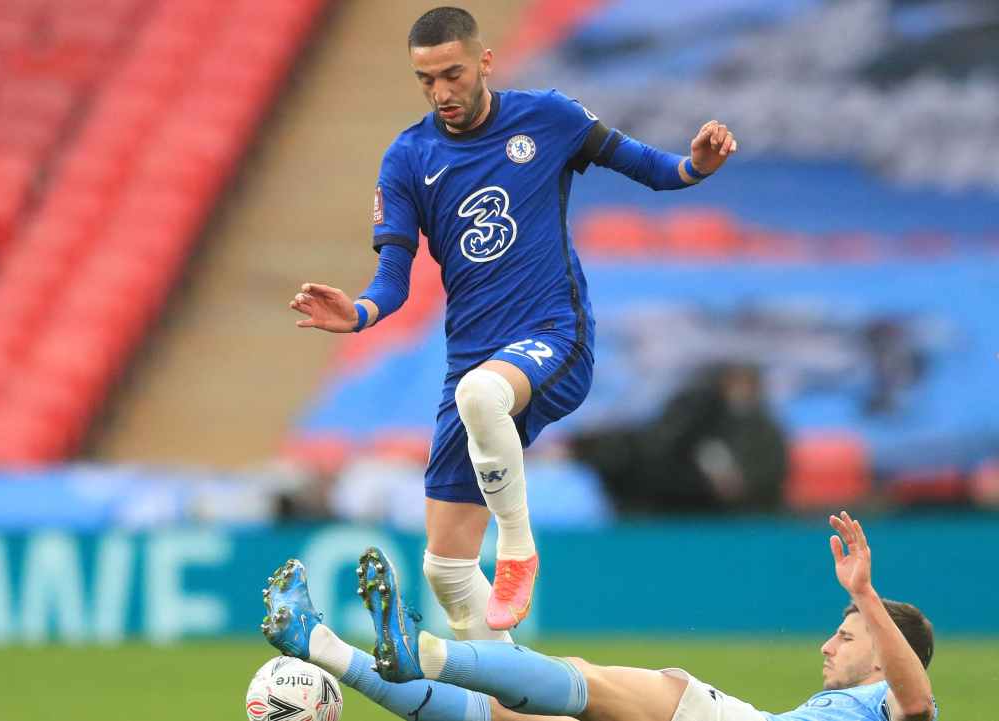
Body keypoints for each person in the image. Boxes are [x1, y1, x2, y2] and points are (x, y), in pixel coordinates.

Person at [288, 6, 738, 634]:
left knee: (481, 394)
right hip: (470, 360)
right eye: (426, 80)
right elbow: (394, 274)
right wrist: (360, 312)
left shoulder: (548, 117)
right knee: (444, 570)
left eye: (452, 74)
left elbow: (652, 169)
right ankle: (514, 691)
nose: (441, 92)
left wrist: (695, 167)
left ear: (485, 62)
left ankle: (518, 551)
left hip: (555, 336)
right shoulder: (408, 157)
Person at [261, 510, 937, 721]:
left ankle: (428, 652)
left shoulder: (887, 699)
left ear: (883, 654)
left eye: (846, 635)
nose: (827, 645)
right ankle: (318, 644)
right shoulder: (838, 705)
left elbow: (921, 704)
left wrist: (869, 599)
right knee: (511, 716)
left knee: (584, 677)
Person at [572, 362, 788, 513]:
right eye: (732, 383)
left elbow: (768, 477)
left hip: (746, 521)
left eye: (744, 384)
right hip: (683, 512)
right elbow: (659, 448)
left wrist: (741, 485)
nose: (737, 391)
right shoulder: (699, 418)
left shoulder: (765, 431)